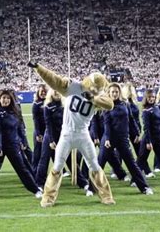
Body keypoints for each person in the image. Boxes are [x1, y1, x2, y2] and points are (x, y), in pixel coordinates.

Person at [29, 62, 115, 207]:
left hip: (83, 134)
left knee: (94, 165)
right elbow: (53, 80)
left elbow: (110, 104)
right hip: (66, 133)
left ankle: (106, 196)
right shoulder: (73, 87)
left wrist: (93, 98)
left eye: (97, 88)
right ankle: (48, 198)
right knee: (57, 166)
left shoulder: (98, 96)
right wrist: (39, 67)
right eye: (93, 86)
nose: (94, 89)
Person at [0, 89, 42, 200]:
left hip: (13, 145)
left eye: (8, 98)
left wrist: (23, 142)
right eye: (3, 98)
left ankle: (36, 190)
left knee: (22, 169)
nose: (6, 100)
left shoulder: (15, 112)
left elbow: (20, 129)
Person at [35, 89, 94, 196]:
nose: (56, 93)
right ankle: (39, 183)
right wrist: (51, 141)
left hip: (64, 136)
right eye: (54, 91)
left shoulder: (65, 105)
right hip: (50, 137)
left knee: (70, 161)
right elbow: (48, 125)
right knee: (44, 160)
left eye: (58, 91)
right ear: (51, 93)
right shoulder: (47, 106)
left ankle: (82, 183)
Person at [98, 83, 153, 195]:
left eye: (116, 92)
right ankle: (91, 188)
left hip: (123, 139)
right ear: (109, 93)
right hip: (109, 139)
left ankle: (144, 188)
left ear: (119, 93)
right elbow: (106, 123)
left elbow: (131, 120)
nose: (114, 94)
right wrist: (107, 138)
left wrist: (137, 133)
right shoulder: (107, 106)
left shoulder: (125, 104)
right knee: (99, 163)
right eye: (112, 92)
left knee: (132, 164)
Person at [32, 84, 47, 174]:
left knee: (49, 154)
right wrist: (38, 133)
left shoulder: (50, 102)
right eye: (41, 91)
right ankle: (34, 172)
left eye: (45, 91)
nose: (43, 93)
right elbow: (35, 120)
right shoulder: (36, 104)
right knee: (37, 154)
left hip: (49, 132)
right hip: (40, 132)